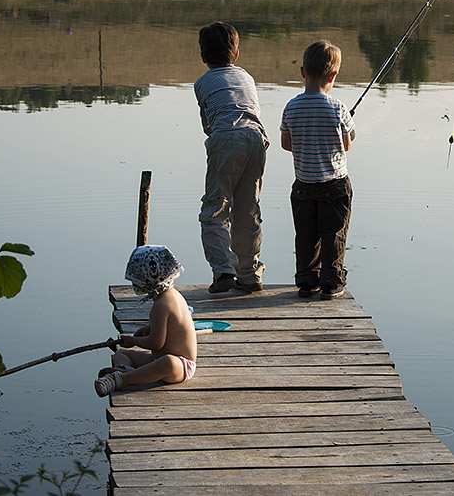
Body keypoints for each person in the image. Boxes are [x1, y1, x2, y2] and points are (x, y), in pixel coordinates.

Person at [193, 22, 268, 294]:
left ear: (203, 56)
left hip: (226, 138)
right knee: (248, 209)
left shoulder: (202, 82)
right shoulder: (247, 78)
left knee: (214, 208)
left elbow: (209, 125)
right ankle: (249, 275)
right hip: (256, 139)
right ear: (236, 54)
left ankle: (223, 270)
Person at [280, 40, 356, 300]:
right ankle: (331, 282)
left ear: (303, 72)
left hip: (303, 185)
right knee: (333, 233)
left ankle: (306, 280)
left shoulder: (291, 107)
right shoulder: (338, 108)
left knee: (306, 234)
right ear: (333, 75)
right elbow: (346, 144)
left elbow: (286, 143)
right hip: (335, 184)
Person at [95, 245, 197, 396]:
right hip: (158, 358)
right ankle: (126, 370)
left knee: (167, 362)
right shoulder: (172, 295)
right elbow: (170, 325)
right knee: (122, 354)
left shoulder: (161, 305)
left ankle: (121, 379)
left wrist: (133, 341)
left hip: (181, 365)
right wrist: (149, 328)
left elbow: (156, 343)